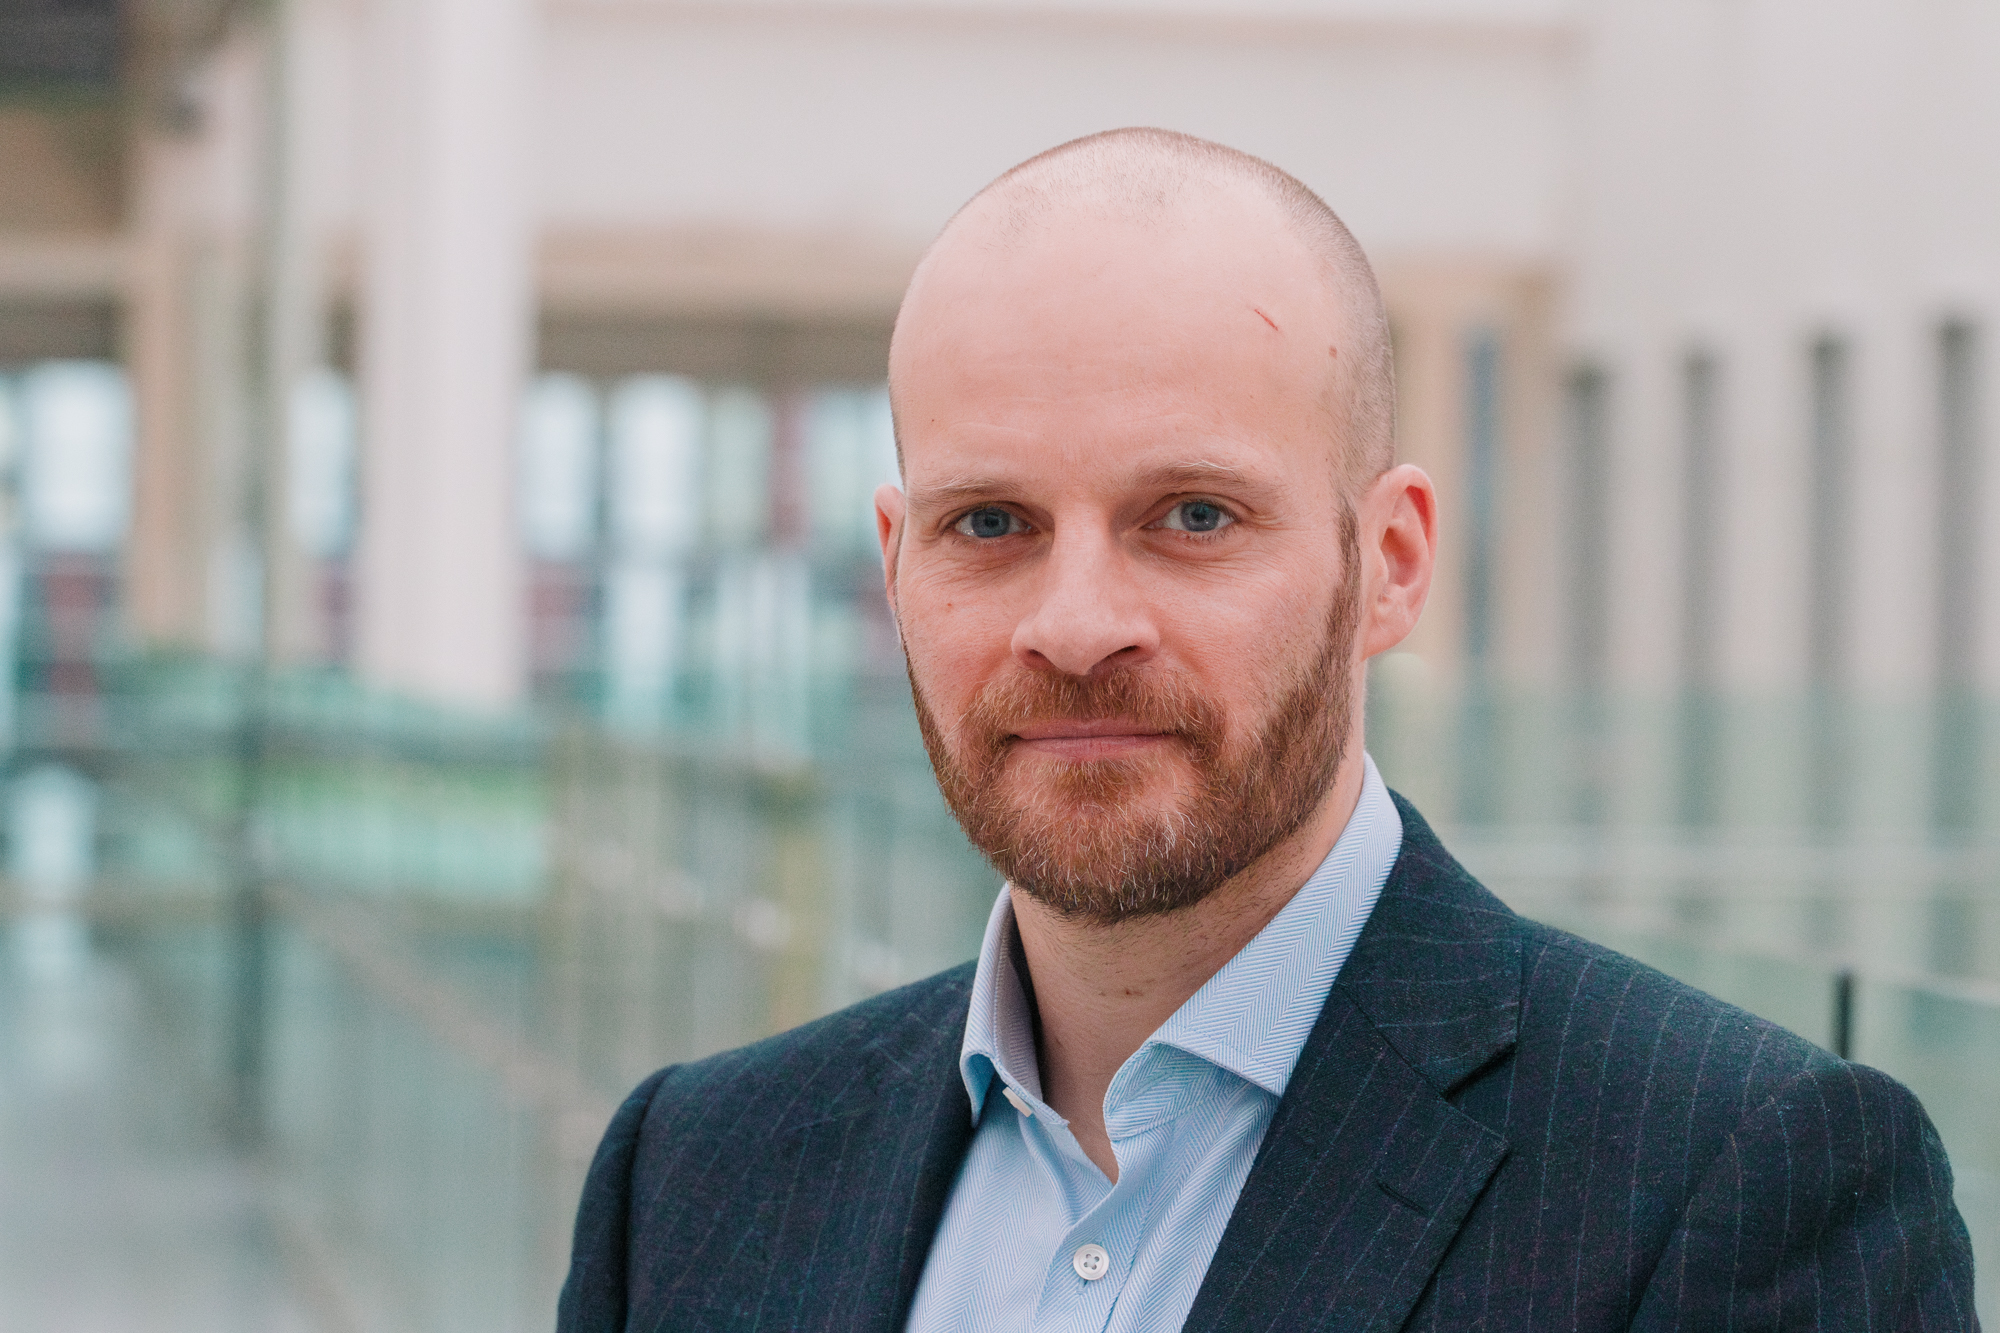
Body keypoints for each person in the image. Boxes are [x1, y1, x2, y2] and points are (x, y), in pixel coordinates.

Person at [558, 129, 1976, 1332]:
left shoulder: (1743, 1184)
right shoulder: (692, 1176)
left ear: (1393, 562)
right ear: (893, 562)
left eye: (1192, 517)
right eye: (989, 523)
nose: (1075, 620)